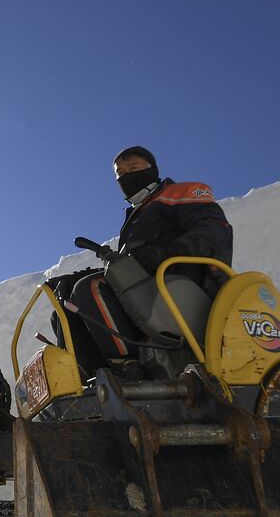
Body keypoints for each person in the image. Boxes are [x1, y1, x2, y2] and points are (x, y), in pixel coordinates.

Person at [53, 146, 234, 379]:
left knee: (91, 287)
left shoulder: (180, 192)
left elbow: (212, 230)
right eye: (121, 174)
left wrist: (167, 252)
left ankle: (127, 369)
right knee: (65, 303)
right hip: (147, 286)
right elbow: (136, 261)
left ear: (152, 169)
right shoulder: (136, 216)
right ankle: (96, 376)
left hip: (183, 280)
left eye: (134, 168)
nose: (127, 176)